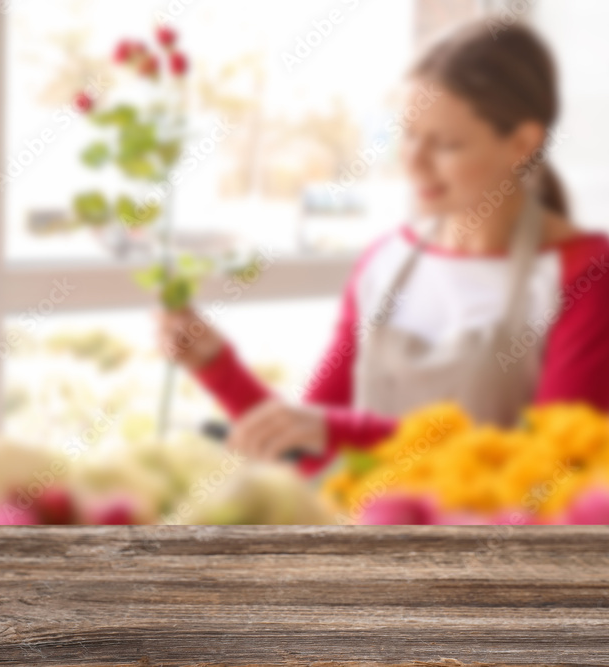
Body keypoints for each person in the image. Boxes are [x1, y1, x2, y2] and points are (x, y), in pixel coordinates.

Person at [158, 20, 609, 477]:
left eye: (446, 144)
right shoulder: (384, 262)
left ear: (521, 144)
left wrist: (341, 432)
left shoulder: (586, 275)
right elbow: (310, 451)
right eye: (408, 134)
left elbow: (554, 471)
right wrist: (217, 367)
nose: (412, 161)